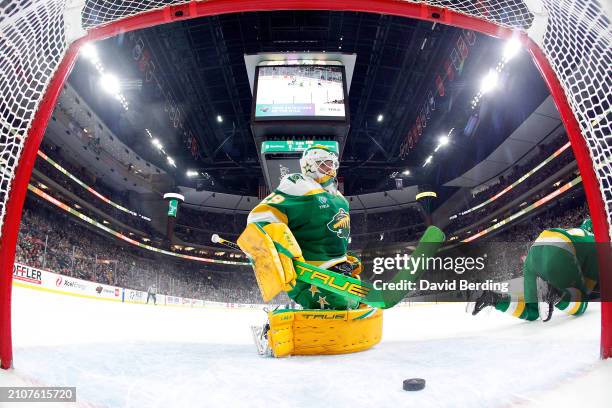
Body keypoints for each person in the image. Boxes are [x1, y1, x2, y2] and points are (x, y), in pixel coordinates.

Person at [242, 145, 362, 311]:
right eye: (324, 164)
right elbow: (259, 218)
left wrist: (343, 257)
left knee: (358, 301)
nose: (330, 168)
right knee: (339, 302)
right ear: (310, 165)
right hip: (311, 272)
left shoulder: (339, 198)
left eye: (332, 164)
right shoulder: (300, 186)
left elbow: (328, 234)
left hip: (338, 271)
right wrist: (275, 251)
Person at [469, 218, 599, 321]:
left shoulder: (578, 232)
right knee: (581, 304)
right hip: (559, 246)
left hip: (536, 249)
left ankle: (493, 298)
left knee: (532, 312)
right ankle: (555, 293)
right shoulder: (596, 243)